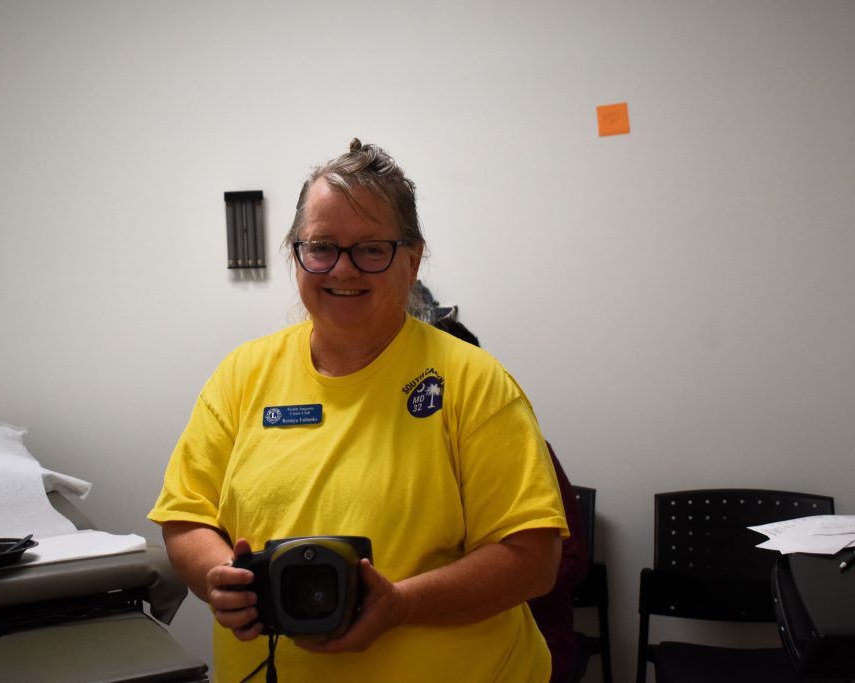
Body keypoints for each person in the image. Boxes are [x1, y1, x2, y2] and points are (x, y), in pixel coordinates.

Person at [148, 139, 568, 682]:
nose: (342, 270)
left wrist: (403, 604)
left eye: (371, 249)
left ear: (413, 259)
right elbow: (186, 517)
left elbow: (532, 559)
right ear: (295, 253)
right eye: (321, 247)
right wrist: (217, 576)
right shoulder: (242, 375)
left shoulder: (473, 382)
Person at [429, 317, 590, 683]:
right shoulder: (414, 454)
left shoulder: (524, 445)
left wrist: (496, 579)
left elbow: (573, 557)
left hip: (529, 642)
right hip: (441, 643)